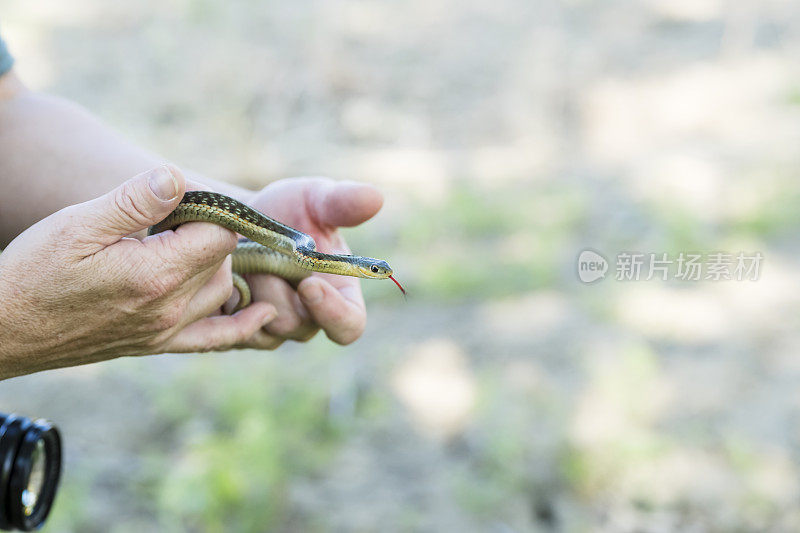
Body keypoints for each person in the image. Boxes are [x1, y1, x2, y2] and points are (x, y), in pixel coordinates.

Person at [0, 33, 384, 379]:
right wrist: (15, 328)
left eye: (377, 270)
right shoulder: (300, 249)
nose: (379, 272)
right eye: (375, 269)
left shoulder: (301, 248)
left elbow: (6, 116)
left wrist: (252, 208)